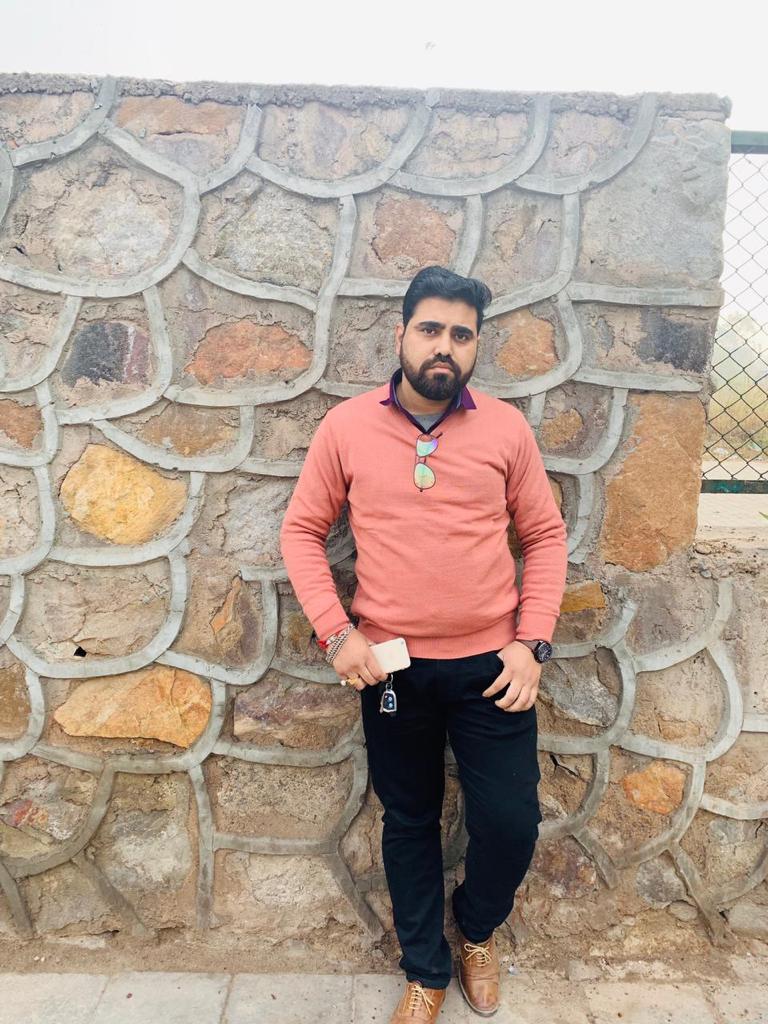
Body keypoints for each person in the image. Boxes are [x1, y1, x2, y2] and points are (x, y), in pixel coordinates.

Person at [280, 265, 568, 1022]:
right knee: (408, 822)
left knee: (510, 822)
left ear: (476, 347)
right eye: (431, 329)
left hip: (493, 667)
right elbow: (302, 531)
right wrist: (336, 633)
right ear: (401, 334)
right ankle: (424, 969)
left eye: (462, 334)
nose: (446, 346)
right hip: (391, 671)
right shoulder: (346, 427)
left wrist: (532, 643)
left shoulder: (505, 429)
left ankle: (476, 930)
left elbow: (544, 536)